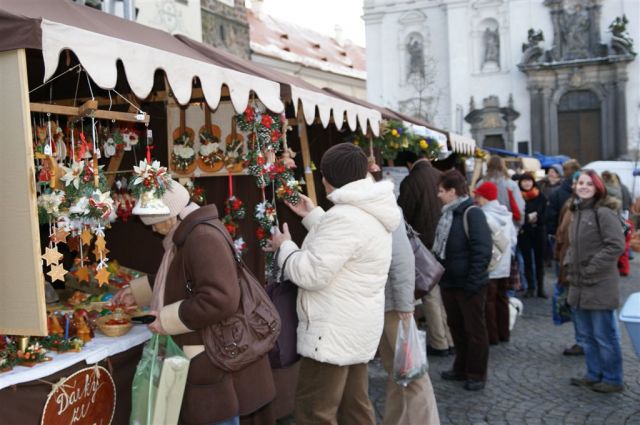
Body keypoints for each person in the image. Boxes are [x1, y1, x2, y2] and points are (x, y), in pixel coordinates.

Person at [113, 182, 275, 425]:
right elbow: (185, 277)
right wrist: (139, 292)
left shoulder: (202, 238)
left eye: (156, 222)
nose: (156, 230)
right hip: (209, 356)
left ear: (172, 214)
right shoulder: (193, 233)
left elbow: (220, 298)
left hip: (214, 360)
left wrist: (167, 320)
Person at [267, 143, 401, 425]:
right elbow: (349, 247)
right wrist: (314, 215)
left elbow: (311, 273)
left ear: (329, 177)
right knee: (354, 408)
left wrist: (285, 247)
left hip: (331, 332)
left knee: (315, 411)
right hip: (355, 326)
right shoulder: (366, 209)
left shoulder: (345, 217)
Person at [566, 170, 626, 393]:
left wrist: (592, 267)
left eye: (589, 183)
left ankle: (612, 379)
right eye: (580, 183)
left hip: (599, 284)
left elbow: (616, 245)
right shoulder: (578, 211)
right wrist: (568, 264)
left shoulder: (604, 213)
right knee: (586, 337)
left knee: (604, 336)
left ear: (597, 186)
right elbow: (575, 245)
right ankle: (594, 374)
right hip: (579, 285)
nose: (583, 186)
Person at [433, 170, 492, 391]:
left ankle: (476, 373)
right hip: (450, 282)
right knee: (457, 327)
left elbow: (481, 250)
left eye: (441, 191)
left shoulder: (472, 213)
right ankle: (461, 367)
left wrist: (473, 282)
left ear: (452, 191)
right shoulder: (448, 214)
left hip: (469, 284)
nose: (438, 195)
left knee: (475, 330)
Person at [378, 223, 440, 425]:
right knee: (396, 373)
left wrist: (405, 306)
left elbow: (403, 259)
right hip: (384, 305)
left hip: (395, 307)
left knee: (413, 374)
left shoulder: (386, 207)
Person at [397, 151, 454, 357]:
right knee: (443, 294)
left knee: (430, 294)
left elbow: (402, 215)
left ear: (409, 163)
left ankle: (439, 342)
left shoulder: (411, 181)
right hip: (444, 243)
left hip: (423, 245)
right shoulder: (442, 175)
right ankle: (449, 337)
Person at [473, 181, 517, 344]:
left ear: (484, 197)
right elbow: (513, 239)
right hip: (505, 264)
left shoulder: (483, 215)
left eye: (478, 195)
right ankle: (504, 333)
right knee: (502, 299)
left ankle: (492, 336)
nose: (476, 198)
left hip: (490, 264)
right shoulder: (506, 214)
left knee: (488, 301)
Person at [518, 173, 548, 298]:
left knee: (539, 261)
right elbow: (517, 213)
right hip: (524, 232)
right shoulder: (518, 196)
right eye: (524, 181)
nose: (527, 183)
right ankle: (531, 287)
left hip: (539, 231)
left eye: (529, 181)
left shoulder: (540, 196)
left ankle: (541, 288)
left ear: (533, 182)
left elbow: (546, 214)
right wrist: (526, 219)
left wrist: (537, 218)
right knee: (527, 261)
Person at [478, 155, 525, 228]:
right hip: (507, 226)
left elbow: (476, 204)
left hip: (484, 226)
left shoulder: (480, 184)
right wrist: (518, 225)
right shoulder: (511, 185)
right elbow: (519, 208)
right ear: (502, 166)